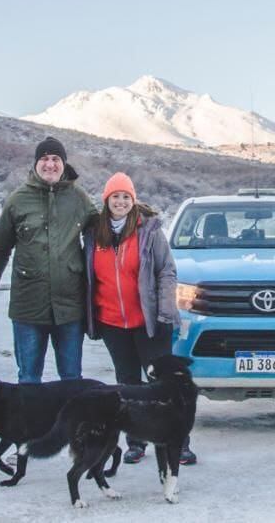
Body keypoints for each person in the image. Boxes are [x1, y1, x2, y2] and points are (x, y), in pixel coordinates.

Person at [83, 172, 196, 465]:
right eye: (115, 197)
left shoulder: (149, 231)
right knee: (128, 383)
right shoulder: (94, 233)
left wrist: (165, 312)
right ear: (106, 200)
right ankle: (136, 441)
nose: (120, 202)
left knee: (162, 384)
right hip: (112, 323)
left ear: (133, 200)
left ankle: (179, 442)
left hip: (149, 322)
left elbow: (167, 271)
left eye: (126, 197)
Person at [0, 136, 97, 383]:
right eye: (44, 159)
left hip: (69, 307)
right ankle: (30, 424)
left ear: (64, 164)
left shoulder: (78, 198)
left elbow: (103, 235)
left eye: (55, 159)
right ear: (36, 164)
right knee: (28, 378)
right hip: (28, 307)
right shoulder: (18, 199)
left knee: (71, 378)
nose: (50, 164)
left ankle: (71, 423)